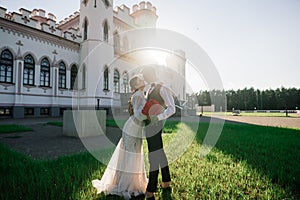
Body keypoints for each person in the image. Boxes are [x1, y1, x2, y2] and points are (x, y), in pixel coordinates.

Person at [92, 75, 148, 200]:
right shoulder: (138, 95)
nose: (143, 80)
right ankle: (126, 184)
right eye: (140, 80)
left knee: (135, 153)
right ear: (136, 85)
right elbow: (139, 114)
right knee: (131, 154)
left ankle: (133, 181)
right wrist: (149, 114)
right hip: (133, 127)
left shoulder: (140, 94)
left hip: (136, 127)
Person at [141, 66, 176, 199]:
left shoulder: (162, 88)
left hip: (156, 124)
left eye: (145, 76)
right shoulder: (150, 88)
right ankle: (166, 181)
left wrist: (158, 117)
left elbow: (171, 108)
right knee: (159, 152)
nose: (144, 79)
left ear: (151, 74)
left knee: (153, 156)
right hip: (150, 124)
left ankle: (151, 189)